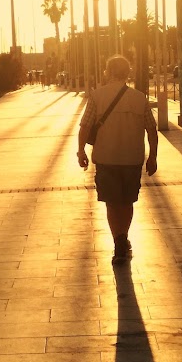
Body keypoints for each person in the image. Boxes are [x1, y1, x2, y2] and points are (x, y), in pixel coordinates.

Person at [77, 55, 158, 265]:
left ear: (108, 71)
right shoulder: (140, 98)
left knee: (112, 203)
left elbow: (85, 126)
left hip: (106, 158)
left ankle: (118, 241)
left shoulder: (97, 96)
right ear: (127, 72)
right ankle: (123, 238)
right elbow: (152, 130)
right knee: (127, 201)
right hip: (132, 158)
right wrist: (153, 157)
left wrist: (80, 151)